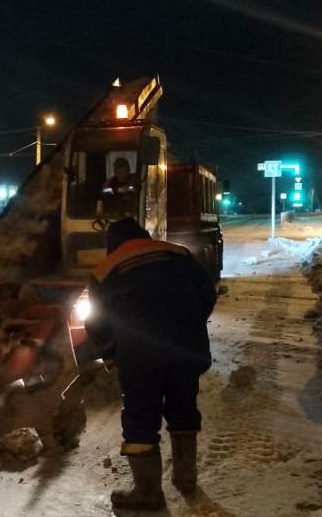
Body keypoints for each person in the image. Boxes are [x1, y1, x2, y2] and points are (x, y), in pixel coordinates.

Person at [86, 218, 216, 511]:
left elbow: (97, 323)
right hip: (186, 349)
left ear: (112, 243)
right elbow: (207, 294)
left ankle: (147, 493)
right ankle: (186, 478)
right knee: (183, 407)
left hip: (140, 356)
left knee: (140, 419)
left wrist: (110, 353)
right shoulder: (178, 253)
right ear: (144, 235)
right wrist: (189, 325)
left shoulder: (106, 270)